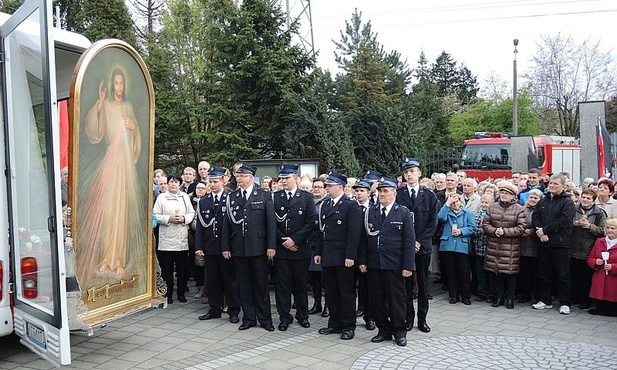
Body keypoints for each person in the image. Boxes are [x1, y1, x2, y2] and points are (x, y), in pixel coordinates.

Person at [78, 68, 144, 286]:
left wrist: (134, 128)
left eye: (121, 83)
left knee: (122, 211)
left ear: (124, 85)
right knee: (108, 211)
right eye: (115, 83)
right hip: (111, 163)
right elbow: (94, 132)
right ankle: (106, 257)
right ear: (111, 85)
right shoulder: (105, 105)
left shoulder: (128, 107)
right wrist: (99, 102)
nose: (119, 87)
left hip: (125, 166)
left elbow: (137, 137)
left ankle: (120, 260)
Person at [359, 177, 415, 347]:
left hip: (395, 264)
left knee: (396, 299)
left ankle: (399, 331)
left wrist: (407, 266)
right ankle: (383, 330)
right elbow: (364, 239)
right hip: (375, 263)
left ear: (394, 193)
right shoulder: (371, 211)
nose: (382, 194)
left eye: (386, 191)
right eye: (380, 191)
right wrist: (362, 260)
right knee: (377, 299)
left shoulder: (403, 212)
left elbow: (409, 241)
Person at [222, 163, 276, 331]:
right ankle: (249, 318)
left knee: (260, 284)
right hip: (239, 247)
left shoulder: (264, 195)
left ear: (251, 178)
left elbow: (271, 223)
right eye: (238, 176)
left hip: (259, 248)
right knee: (243, 285)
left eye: (242, 176)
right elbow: (227, 225)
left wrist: (271, 246)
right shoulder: (233, 197)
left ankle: (265, 319)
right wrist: (226, 247)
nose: (239, 179)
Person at [315, 172, 362, 340]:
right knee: (331, 292)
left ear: (340, 187)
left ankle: (348, 325)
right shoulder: (325, 205)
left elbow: (354, 234)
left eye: (330, 185)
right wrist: (318, 252)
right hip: (328, 255)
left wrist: (351, 255)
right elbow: (321, 231)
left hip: (344, 257)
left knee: (346, 292)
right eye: (326, 185)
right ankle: (334, 323)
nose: (327, 188)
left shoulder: (351, 206)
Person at [396, 158, 438, 333]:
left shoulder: (429, 196)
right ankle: (408, 317)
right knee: (405, 285)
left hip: (422, 247)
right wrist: (409, 242)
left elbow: (432, 222)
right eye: (406, 172)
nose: (409, 175)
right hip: (404, 248)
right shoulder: (398, 195)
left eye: (412, 171)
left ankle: (422, 319)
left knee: (422, 285)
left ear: (420, 173)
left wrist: (419, 241)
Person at [273, 164, 316, 331]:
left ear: (296, 179)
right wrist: (284, 240)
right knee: (282, 286)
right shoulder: (275, 197)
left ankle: (302, 315)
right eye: (282, 178)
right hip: (282, 249)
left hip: (300, 249)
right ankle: (284, 317)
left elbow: (310, 222)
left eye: (287, 178)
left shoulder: (306, 197)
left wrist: (294, 240)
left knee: (300, 285)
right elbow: (272, 222)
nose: (283, 181)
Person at [195, 167, 241, 323]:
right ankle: (214, 308)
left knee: (229, 280)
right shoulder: (204, 201)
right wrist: (199, 246)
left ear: (223, 181)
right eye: (210, 182)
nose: (213, 185)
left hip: (226, 248)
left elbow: (233, 226)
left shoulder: (230, 198)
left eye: (215, 181)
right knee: (212, 280)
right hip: (210, 247)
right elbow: (201, 226)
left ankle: (233, 310)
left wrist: (229, 247)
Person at [532, 174, 576, 314]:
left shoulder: (567, 202)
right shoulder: (543, 200)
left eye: (556, 183)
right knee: (543, 273)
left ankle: (564, 302)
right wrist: (540, 231)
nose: (552, 185)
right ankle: (545, 300)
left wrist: (545, 231)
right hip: (544, 243)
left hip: (560, 244)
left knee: (563, 275)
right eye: (551, 183)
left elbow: (564, 220)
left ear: (563, 185)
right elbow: (535, 216)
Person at [482, 182, 526, 309]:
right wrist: (494, 231)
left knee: (510, 273)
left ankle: (510, 298)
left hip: (510, 247)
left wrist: (505, 232)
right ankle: (499, 297)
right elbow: (485, 224)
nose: (503, 195)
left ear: (513, 196)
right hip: (494, 245)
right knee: (497, 273)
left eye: (506, 193)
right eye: (502, 192)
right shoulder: (493, 207)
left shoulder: (519, 209)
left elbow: (521, 227)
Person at [153, 174, 195, 304]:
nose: (173, 184)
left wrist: (184, 219)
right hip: (166, 238)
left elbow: (191, 213)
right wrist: (168, 219)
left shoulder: (184, 197)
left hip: (181, 238)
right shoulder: (161, 197)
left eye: (176, 182)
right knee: (167, 269)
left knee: (182, 269)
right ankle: (167, 294)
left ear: (180, 184)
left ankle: (181, 293)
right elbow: (155, 215)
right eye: (171, 182)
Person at [570, 188, 606, 309]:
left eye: (588, 198)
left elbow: (603, 230)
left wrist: (590, 227)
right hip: (573, 247)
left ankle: (585, 300)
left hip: (589, 249)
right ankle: (573, 298)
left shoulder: (599, 213)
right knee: (574, 276)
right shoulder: (573, 209)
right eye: (583, 197)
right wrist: (576, 224)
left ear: (593, 201)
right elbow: (565, 225)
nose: (585, 200)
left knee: (587, 278)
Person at [438, 193, 476, 305]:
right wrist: (447, 204)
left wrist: (462, 231)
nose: (455, 203)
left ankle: (466, 296)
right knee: (451, 272)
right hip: (448, 245)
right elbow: (439, 217)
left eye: (457, 200)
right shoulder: (446, 212)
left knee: (464, 272)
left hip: (462, 246)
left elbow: (472, 228)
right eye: (452, 201)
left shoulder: (467, 213)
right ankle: (453, 295)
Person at [352, 179, 376, 331]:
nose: (359, 193)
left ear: (368, 193)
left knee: (368, 289)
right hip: (350, 255)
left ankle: (370, 317)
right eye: (357, 190)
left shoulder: (374, 209)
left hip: (367, 256)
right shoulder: (350, 208)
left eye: (362, 191)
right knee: (349, 288)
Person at [587, 218, 617, 316]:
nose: (609, 230)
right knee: (600, 303)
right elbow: (590, 258)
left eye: (613, 228)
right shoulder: (599, 241)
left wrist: (613, 267)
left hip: (613, 280)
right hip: (600, 276)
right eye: (607, 227)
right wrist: (596, 262)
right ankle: (601, 309)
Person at [518, 189, 543, 304]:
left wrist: (532, 231)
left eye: (535, 198)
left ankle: (538, 296)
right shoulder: (522, 209)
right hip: (522, 245)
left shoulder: (542, 210)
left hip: (536, 246)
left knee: (537, 273)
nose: (532, 200)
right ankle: (525, 295)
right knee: (524, 273)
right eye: (531, 197)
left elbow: (543, 224)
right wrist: (521, 230)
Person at [308, 177, 328, 316]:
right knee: (314, 277)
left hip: (324, 245)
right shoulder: (309, 202)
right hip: (310, 244)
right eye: (314, 187)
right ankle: (317, 303)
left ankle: (328, 304)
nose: (316, 189)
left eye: (319, 187)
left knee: (325, 278)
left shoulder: (327, 203)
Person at [472, 194, 492, 302]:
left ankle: (491, 293)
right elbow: (473, 229)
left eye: (487, 203)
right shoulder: (476, 215)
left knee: (490, 272)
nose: (484, 205)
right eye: (483, 202)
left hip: (490, 249)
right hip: (479, 248)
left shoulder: (493, 215)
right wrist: (480, 231)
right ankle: (482, 292)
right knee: (480, 272)